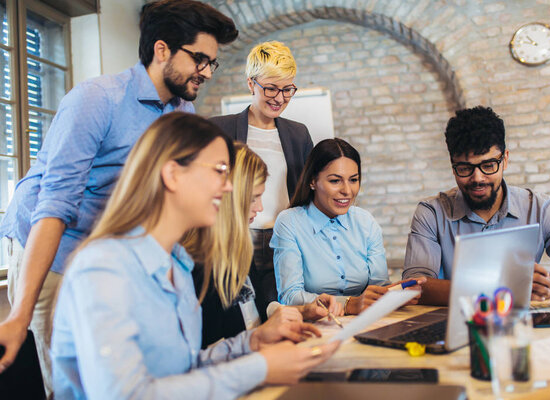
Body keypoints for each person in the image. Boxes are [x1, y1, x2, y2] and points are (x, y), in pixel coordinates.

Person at [0, 0, 238, 392]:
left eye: (212, 62)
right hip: (53, 243)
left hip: (110, 250)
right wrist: (18, 316)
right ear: (162, 50)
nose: (207, 72)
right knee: (73, 382)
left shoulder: (184, 115)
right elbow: (55, 205)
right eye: (200, 59)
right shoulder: (98, 99)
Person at [50, 112, 339, 400]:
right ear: (173, 174)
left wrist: (251, 342)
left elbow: (186, 368)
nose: (228, 187)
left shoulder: (175, 262)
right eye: (219, 171)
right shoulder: (103, 269)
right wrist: (258, 368)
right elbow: (127, 395)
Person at [403, 106, 550, 305]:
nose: (477, 178)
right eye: (465, 168)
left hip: (521, 328)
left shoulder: (541, 209)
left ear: (505, 159)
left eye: (488, 166)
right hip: (455, 328)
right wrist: (505, 285)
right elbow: (413, 287)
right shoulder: (431, 213)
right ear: (453, 166)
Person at [183, 143, 342, 348]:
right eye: (252, 199)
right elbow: (206, 350)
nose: (260, 208)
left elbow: (254, 310)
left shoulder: (237, 246)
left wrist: (301, 312)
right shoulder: (194, 265)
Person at [210, 41, 313, 311]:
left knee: (284, 308)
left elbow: (307, 191)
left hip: (284, 238)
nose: (279, 97)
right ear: (250, 84)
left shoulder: (298, 133)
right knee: (243, 312)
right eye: (270, 88)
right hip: (238, 235)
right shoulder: (220, 129)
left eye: (287, 89)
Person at [272, 138, 424, 315]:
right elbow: (290, 296)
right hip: (316, 325)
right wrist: (348, 304)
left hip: (366, 320)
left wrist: (395, 294)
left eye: (353, 180)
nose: (347, 191)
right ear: (313, 181)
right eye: (335, 181)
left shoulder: (365, 222)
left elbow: (379, 286)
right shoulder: (289, 222)